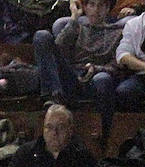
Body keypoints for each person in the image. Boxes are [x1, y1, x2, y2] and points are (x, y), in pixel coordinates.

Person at [33, 0, 119, 136]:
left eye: (101, 5)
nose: (96, 10)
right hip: (71, 79)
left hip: (92, 81)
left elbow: (116, 67)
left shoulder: (116, 32)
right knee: (41, 36)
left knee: (103, 80)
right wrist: (74, 19)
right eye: (92, 5)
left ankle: (104, 132)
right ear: (85, 7)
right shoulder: (77, 27)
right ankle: (54, 98)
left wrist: (96, 68)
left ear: (107, 8)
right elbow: (56, 49)